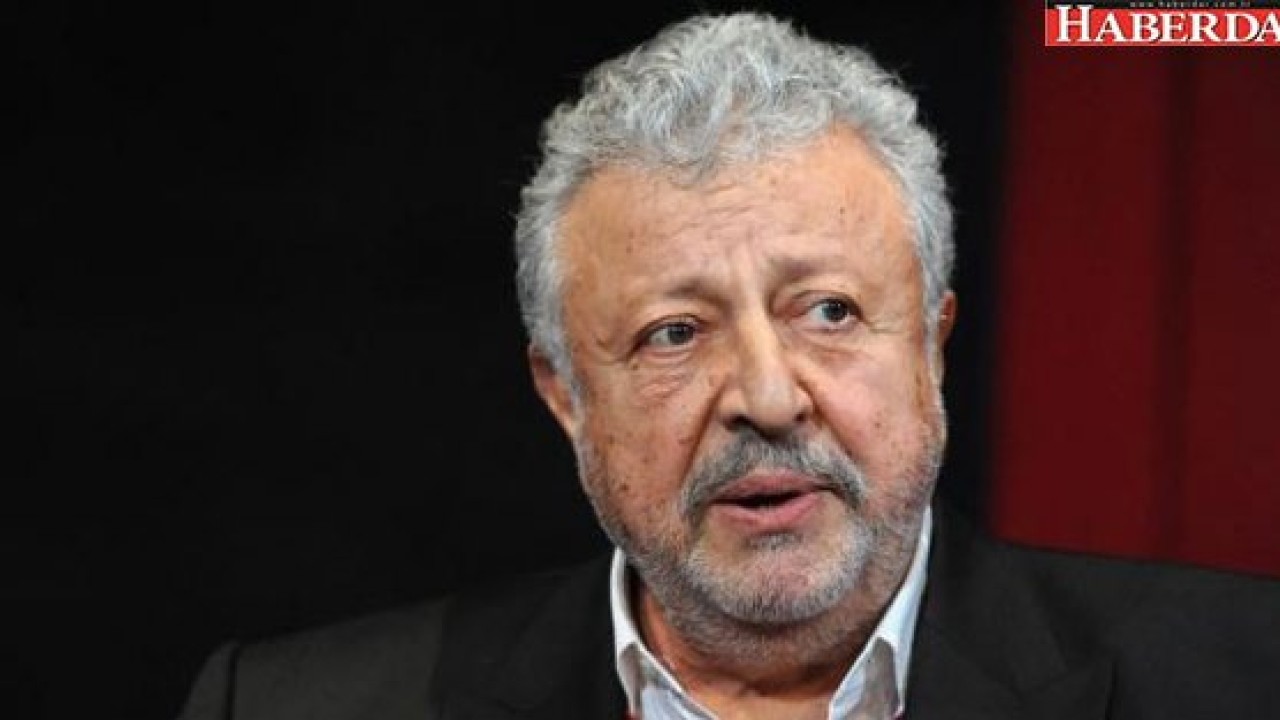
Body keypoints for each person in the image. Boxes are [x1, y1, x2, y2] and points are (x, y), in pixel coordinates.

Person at [177, 12, 1280, 720]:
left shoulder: (1240, 674)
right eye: (673, 333)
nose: (765, 397)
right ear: (566, 395)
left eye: (829, 312)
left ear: (931, 346)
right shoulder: (289, 707)